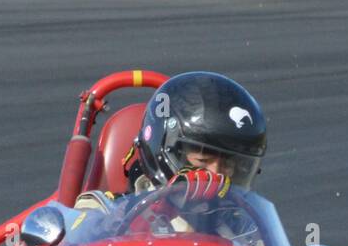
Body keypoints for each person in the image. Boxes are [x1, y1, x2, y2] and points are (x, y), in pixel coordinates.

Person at [76, 71, 268, 215]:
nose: (216, 175)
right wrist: (161, 209)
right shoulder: (107, 211)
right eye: (202, 160)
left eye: (229, 166)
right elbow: (75, 240)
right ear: (165, 152)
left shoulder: (245, 227)